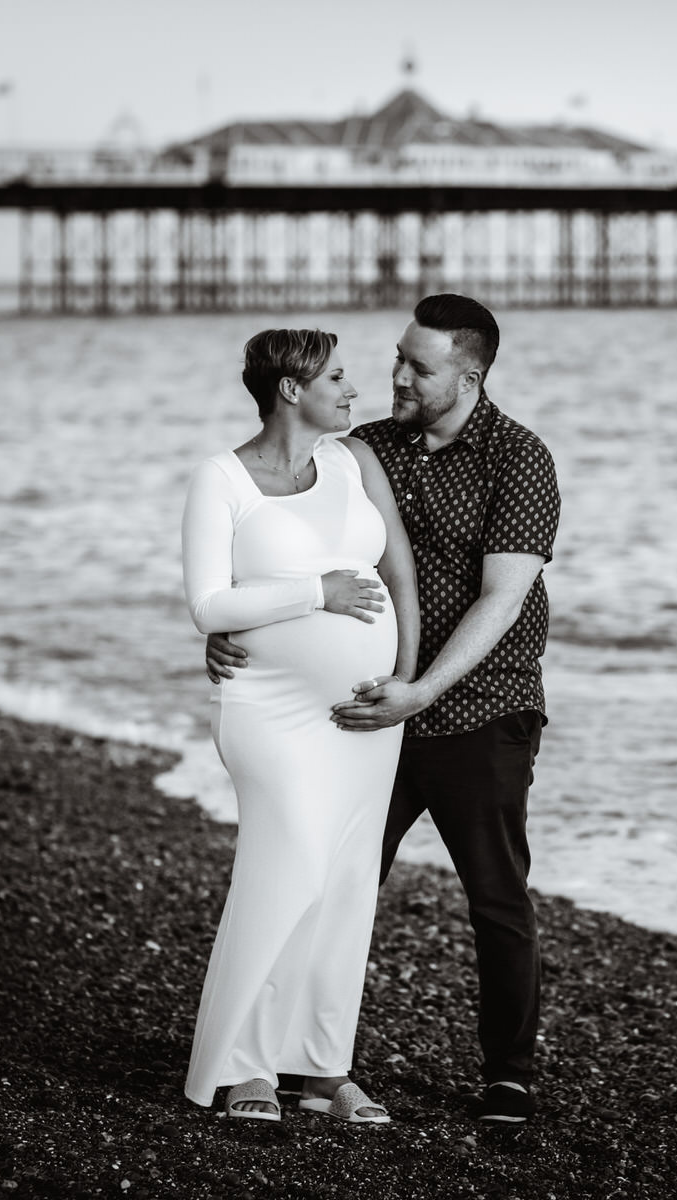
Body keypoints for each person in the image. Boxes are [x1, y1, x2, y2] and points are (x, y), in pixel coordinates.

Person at [206, 294, 560, 1124]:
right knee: (326, 884)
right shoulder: (365, 450)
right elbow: (279, 532)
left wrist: (422, 690)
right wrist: (225, 627)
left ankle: (508, 1075)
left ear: (468, 376)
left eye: (418, 367)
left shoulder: (519, 458)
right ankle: (302, 1063)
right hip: (365, 719)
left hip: (482, 707)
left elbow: (503, 598)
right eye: (396, 357)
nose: (396, 376)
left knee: (497, 897)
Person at [179, 328, 420, 1124]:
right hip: (269, 710)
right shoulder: (221, 479)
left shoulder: (357, 463)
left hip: (365, 714)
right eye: (338, 378)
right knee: (288, 870)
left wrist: (405, 678)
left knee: (347, 885)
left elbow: (398, 573)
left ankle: (322, 1069)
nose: (355, 392)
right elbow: (211, 606)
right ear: (290, 389)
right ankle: (243, 1065)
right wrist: (315, 591)